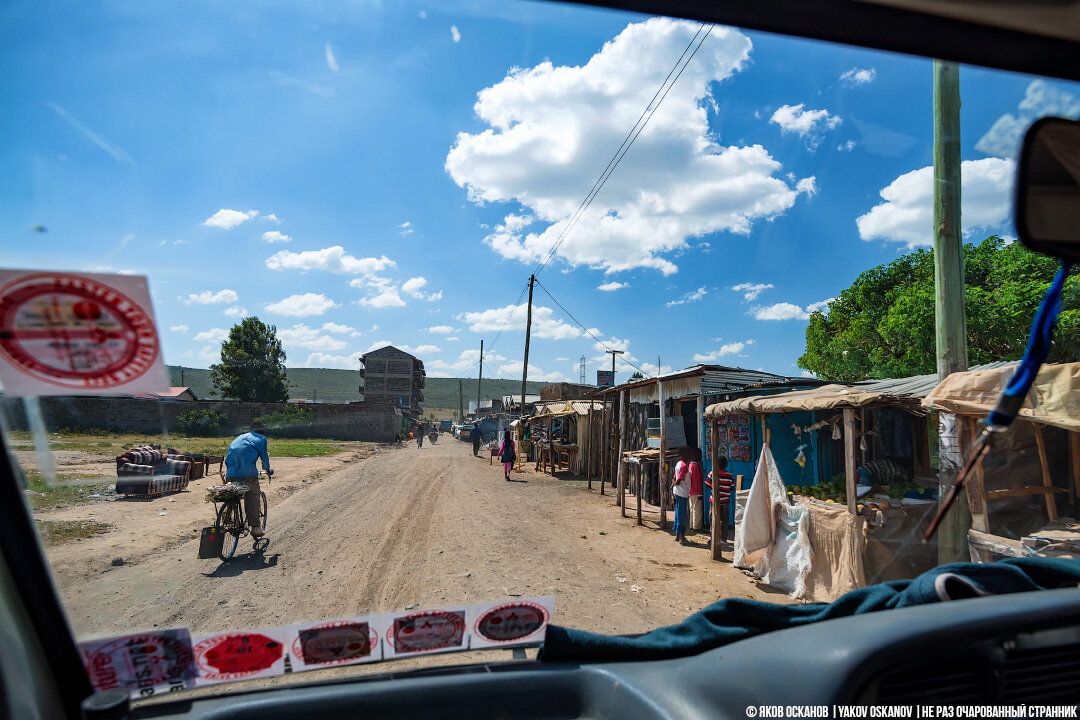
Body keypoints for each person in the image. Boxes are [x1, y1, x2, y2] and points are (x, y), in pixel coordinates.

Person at [224, 421, 273, 538]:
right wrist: (267, 470)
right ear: (262, 431)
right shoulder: (261, 439)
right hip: (248, 473)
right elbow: (264, 457)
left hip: (231, 473)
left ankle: (228, 513)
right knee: (253, 495)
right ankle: (256, 527)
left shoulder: (239, 437)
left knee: (233, 492)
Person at [706, 456, 736, 540]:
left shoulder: (712, 473)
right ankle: (724, 538)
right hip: (725, 501)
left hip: (714, 501)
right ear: (726, 465)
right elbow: (732, 487)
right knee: (725, 520)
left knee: (713, 520)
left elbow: (706, 485)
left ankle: (713, 537)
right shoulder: (729, 475)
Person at [671, 449, 691, 544]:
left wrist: (674, 483)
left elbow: (675, 477)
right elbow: (678, 481)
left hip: (677, 492)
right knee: (682, 515)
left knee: (678, 513)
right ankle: (681, 538)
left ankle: (677, 536)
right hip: (682, 493)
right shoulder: (683, 466)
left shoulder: (678, 464)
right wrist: (675, 483)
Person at [687, 448, 705, 533]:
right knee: (697, 509)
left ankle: (691, 525)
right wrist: (700, 494)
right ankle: (696, 527)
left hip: (691, 491)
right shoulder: (696, 466)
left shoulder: (690, 465)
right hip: (696, 491)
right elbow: (697, 480)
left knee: (692, 508)